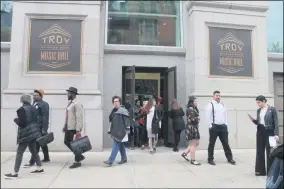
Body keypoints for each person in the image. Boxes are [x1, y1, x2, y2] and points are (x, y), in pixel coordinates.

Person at [4, 94, 44, 179]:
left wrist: (16, 120)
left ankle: (15, 173)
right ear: (29, 100)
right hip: (34, 132)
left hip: (26, 133)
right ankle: (40, 167)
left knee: (19, 152)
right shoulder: (33, 108)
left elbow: (22, 123)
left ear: (22, 100)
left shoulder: (22, 109)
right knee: (33, 150)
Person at [248, 95, 279, 176]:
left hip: (269, 132)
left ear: (264, 101)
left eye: (259, 102)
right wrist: (253, 120)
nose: (258, 104)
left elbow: (275, 122)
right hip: (260, 131)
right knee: (259, 151)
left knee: (270, 151)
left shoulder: (272, 109)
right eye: (257, 103)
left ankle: (271, 172)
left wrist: (276, 134)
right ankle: (260, 171)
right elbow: (259, 122)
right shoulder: (258, 110)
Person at [205, 90, 236, 165]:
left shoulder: (223, 104)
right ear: (213, 96)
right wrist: (210, 126)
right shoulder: (210, 105)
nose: (218, 97)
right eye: (216, 95)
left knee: (226, 143)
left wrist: (225, 124)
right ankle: (210, 159)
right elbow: (207, 116)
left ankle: (230, 158)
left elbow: (225, 115)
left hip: (223, 127)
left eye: (219, 95)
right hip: (214, 127)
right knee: (212, 143)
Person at [24, 89, 50, 168]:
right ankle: (46, 158)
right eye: (34, 95)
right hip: (34, 126)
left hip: (40, 127)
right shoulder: (34, 103)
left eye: (36, 95)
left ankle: (32, 161)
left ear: (41, 96)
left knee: (35, 144)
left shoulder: (44, 104)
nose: (34, 96)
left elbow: (45, 117)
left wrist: (44, 129)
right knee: (42, 142)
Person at [104, 96, 131, 167]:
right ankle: (124, 158)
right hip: (115, 131)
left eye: (117, 101)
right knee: (121, 145)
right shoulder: (113, 110)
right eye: (114, 101)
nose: (116, 103)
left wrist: (127, 130)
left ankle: (110, 160)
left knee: (115, 146)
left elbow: (127, 121)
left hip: (121, 131)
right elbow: (112, 122)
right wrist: (110, 130)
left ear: (119, 102)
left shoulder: (123, 110)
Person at [62, 87, 84, 169]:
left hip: (73, 128)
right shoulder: (70, 103)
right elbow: (68, 116)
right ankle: (79, 156)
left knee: (74, 145)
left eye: (68, 93)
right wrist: (65, 125)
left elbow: (79, 117)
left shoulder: (77, 103)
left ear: (73, 94)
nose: (67, 94)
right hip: (68, 127)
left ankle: (77, 161)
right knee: (66, 142)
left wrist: (78, 129)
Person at [181, 96, 201, 165]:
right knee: (193, 144)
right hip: (192, 128)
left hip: (194, 127)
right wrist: (198, 118)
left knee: (197, 142)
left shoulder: (193, 108)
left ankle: (185, 153)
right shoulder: (190, 109)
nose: (197, 102)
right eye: (196, 101)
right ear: (192, 102)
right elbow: (192, 119)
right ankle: (193, 160)